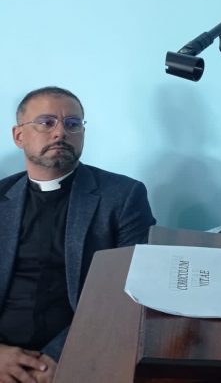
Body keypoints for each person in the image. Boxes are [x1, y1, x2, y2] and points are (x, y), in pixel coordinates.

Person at [0, 87, 155, 383]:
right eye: (46, 122)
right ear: (19, 136)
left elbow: (129, 292)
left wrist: (59, 357)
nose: (60, 132)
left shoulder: (122, 196)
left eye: (73, 124)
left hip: (81, 350)